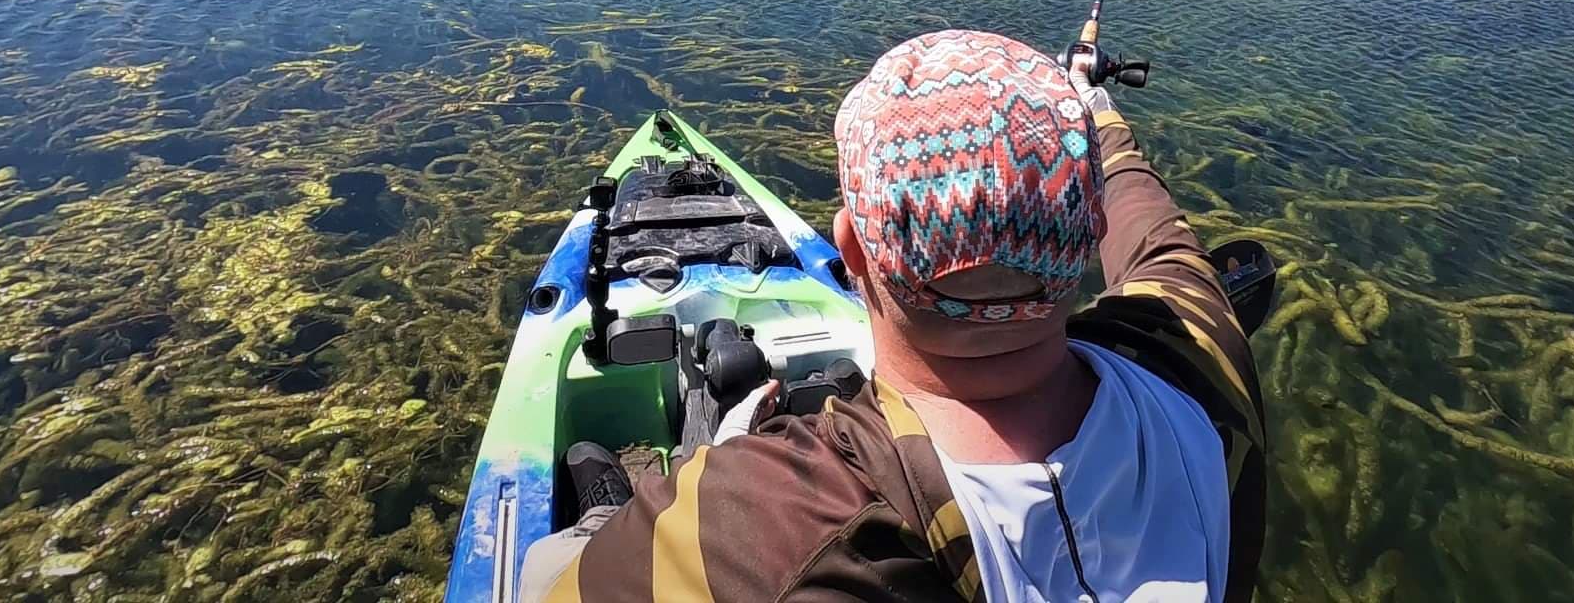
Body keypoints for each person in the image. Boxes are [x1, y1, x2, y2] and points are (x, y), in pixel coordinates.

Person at [521, 29, 1267, 603]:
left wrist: (724, 459)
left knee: (540, 564)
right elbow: (1158, 234)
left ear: (851, 248)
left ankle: (600, 518)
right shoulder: (1195, 351)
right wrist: (1095, 110)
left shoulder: (769, 519)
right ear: (1090, 228)